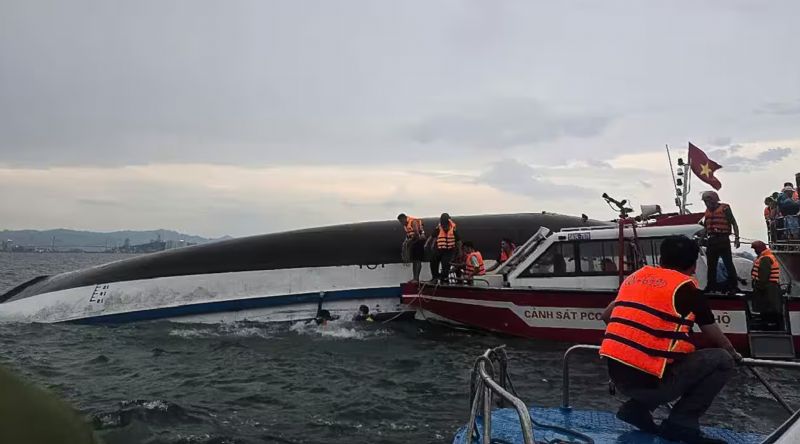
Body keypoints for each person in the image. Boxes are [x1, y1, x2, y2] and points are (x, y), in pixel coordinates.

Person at [599, 235, 741, 444]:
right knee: (722, 360)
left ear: (661, 259)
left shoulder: (635, 278)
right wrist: (735, 354)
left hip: (618, 378)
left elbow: (606, 316)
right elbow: (718, 339)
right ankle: (681, 424)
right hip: (653, 385)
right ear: (693, 266)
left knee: (659, 361)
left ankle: (636, 409)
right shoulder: (688, 290)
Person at [700, 191, 740, 293]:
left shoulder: (725, 208)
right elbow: (705, 227)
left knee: (728, 263)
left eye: (707, 201)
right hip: (712, 239)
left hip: (723, 239)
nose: (706, 203)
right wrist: (700, 240)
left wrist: (737, 238)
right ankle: (711, 286)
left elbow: (733, 223)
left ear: (713, 200)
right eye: (705, 201)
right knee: (711, 265)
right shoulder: (707, 211)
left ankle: (733, 286)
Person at [750, 241, 783, 330]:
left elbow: (764, 275)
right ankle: (768, 322)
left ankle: (770, 324)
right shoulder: (766, 256)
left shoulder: (765, 258)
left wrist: (759, 287)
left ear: (759, 249)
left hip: (768, 287)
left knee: (768, 306)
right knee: (767, 306)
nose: (755, 251)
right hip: (768, 286)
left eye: (755, 249)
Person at [427, 213, 459, 284]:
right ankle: (435, 277)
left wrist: (459, 251)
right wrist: (427, 244)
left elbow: (458, 240)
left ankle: (444, 278)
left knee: (446, 264)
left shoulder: (453, 229)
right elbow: (433, 236)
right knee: (433, 260)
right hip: (440, 249)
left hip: (449, 250)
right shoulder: (439, 227)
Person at [397, 213, 426, 282]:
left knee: (417, 260)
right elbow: (409, 235)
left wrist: (410, 241)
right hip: (414, 242)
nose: (401, 223)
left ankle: (416, 278)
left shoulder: (413, 222)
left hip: (419, 242)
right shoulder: (406, 225)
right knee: (414, 261)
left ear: (404, 218)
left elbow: (416, 233)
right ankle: (415, 278)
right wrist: (406, 242)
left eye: (401, 221)